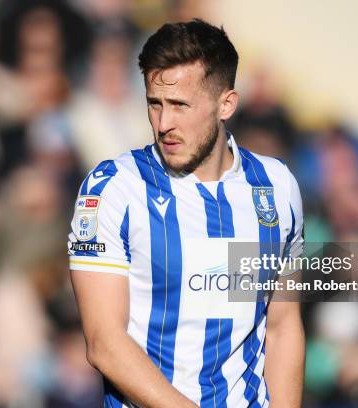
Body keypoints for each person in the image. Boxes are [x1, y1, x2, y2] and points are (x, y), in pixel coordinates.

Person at [68, 19, 305, 408]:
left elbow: (281, 327)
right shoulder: (113, 188)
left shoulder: (276, 187)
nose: (164, 124)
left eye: (179, 105)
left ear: (226, 104)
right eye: (154, 104)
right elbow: (104, 344)